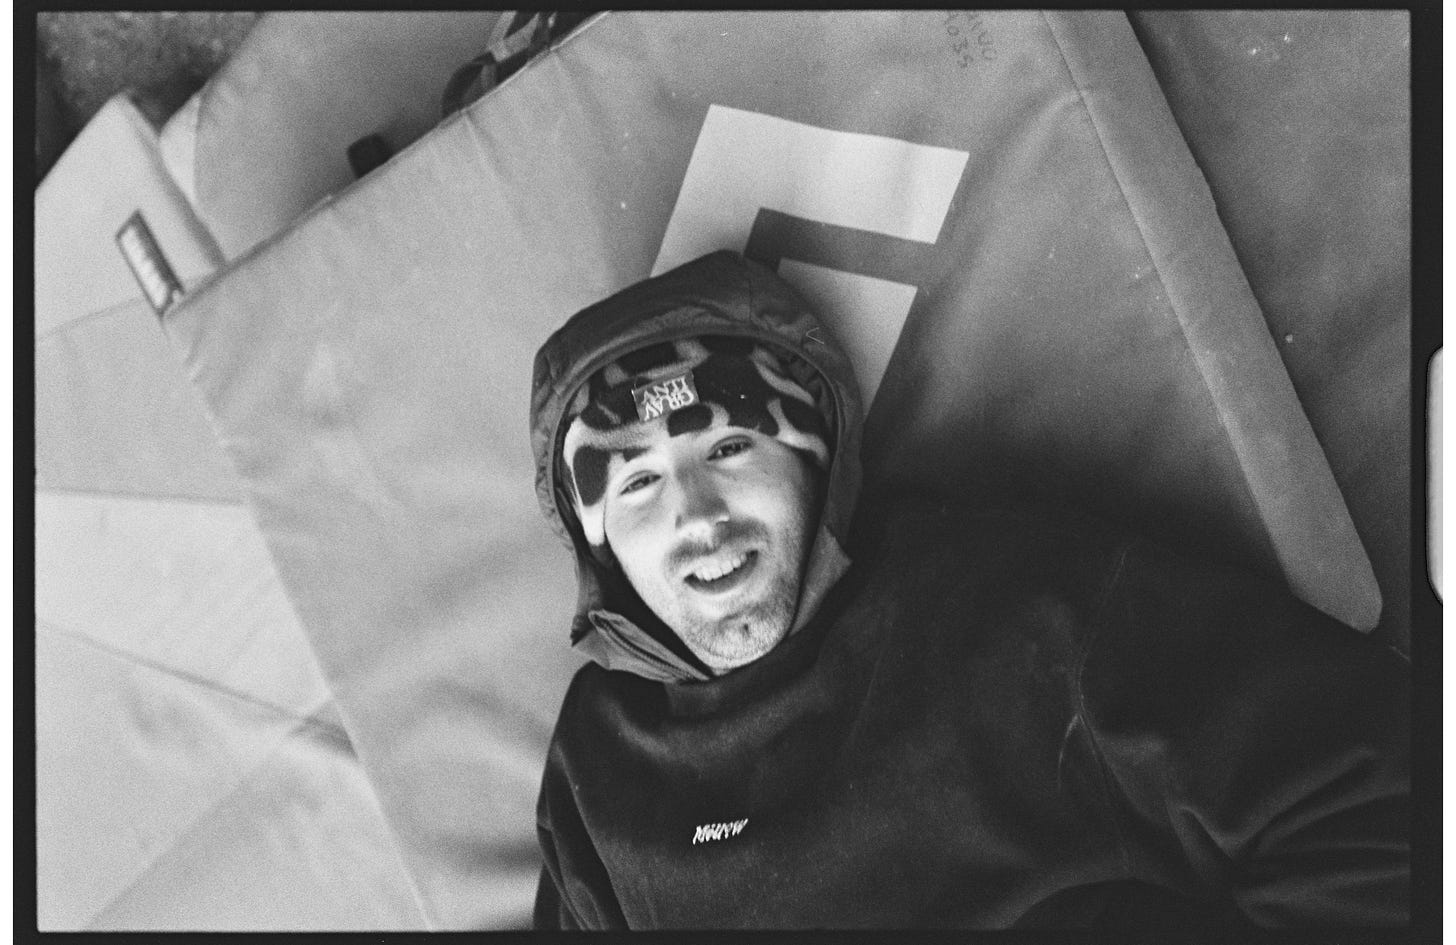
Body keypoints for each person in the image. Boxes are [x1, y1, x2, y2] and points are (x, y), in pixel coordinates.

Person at [526, 250, 1410, 930]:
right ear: (601, 547)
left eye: (728, 448)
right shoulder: (596, 766)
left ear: (814, 461)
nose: (697, 515)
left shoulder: (1021, 610)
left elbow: (1390, 798)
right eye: (637, 484)